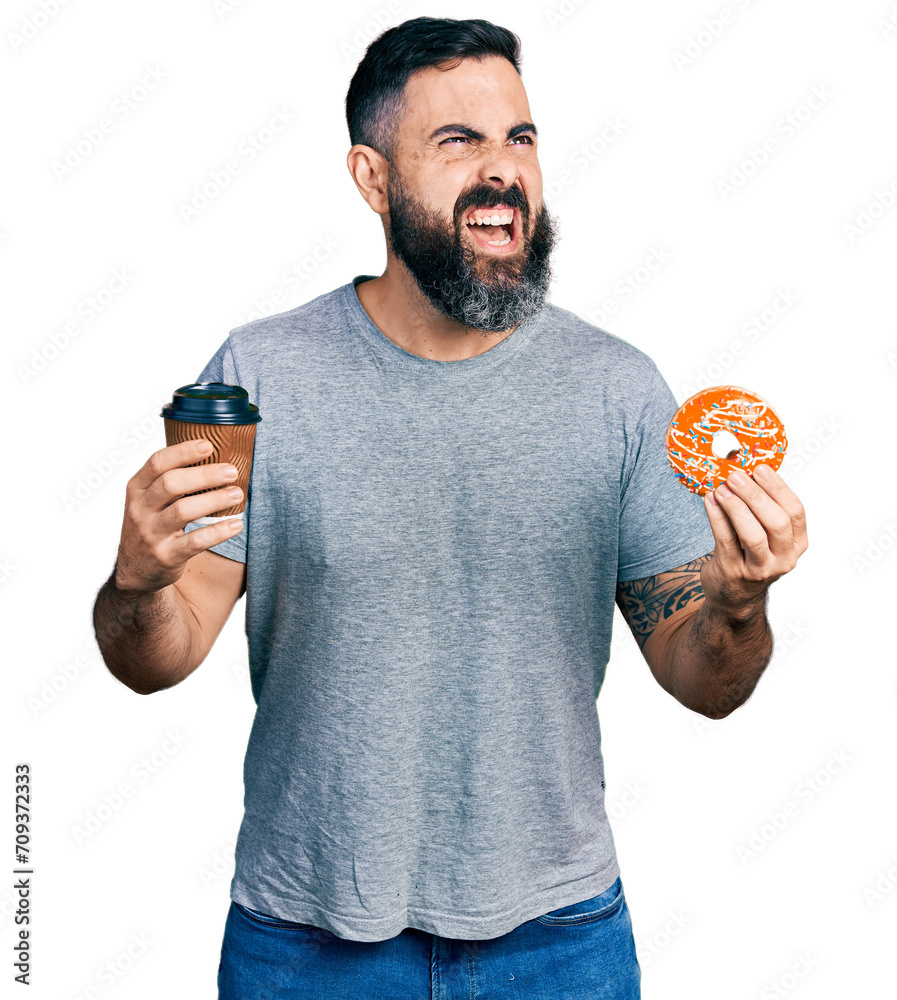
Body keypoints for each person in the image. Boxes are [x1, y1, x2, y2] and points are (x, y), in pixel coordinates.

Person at [92, 16, 808, 999]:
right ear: (372, 179)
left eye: (520, 137)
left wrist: (738, 600)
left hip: (560, 943)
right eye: (458, 141)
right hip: (304, 942)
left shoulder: (622, 390)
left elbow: (706, 679)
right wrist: (137, 580)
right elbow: (158, 655)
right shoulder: (256, 378)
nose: (503, 169)